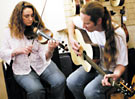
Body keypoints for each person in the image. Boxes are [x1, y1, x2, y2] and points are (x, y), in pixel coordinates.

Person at [0, 1, 66, 99]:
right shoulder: (8, 32)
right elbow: (2, 52)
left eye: (32, 15)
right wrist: (17, 50)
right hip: (22, 69)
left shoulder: (38, 29)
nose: (30, 19)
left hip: (41, 64)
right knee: (36, 90)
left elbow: (45, 56)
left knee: (60, 81)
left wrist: (50, 50)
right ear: (18, 17)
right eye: (26, 16)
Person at [67, 1, 128, 99]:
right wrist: (71, 38)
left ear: (99, 21)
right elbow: (71, 21)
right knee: (71, 82)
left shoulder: (118, 34)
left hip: (109, 70)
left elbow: (122, 64)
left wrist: (115, 75)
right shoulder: (85, 21)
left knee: (90, 91)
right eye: (82, 22)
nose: (83, 26)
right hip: (92, 64)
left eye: (87, 23)